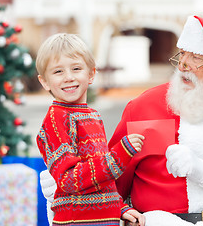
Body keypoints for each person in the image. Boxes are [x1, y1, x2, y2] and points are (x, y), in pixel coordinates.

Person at [41, 17, 203, 226]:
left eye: (196, 58)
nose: (182, 66)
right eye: (181, 55)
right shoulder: (144, 106)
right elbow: (113, 180)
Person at [35, 33, 145, 226]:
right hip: (76, 221)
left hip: (104, 219)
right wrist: (118, 155)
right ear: (44, 81)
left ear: (91, 74)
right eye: (58, 72)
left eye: (76, 68)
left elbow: (100, 180)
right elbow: (69, 181)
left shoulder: (93, 116)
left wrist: (120, 207)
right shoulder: (56, 119)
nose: (68, 77)